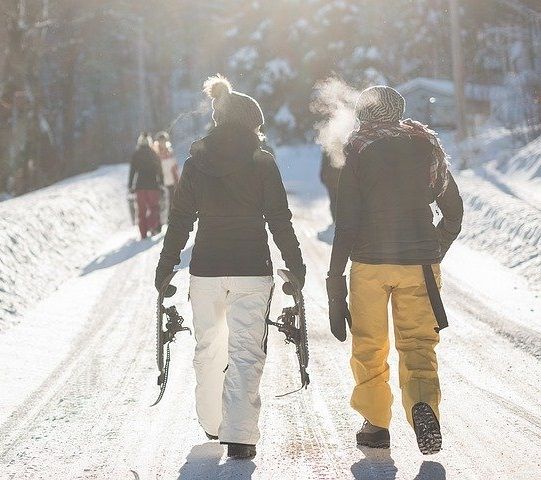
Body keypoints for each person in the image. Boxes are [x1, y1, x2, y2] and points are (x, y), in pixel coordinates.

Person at [155, 75, 305, 459]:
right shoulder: (262, 162)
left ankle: (212, 422)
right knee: (245, 350)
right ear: (251, 124)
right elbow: (279, 218)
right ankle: (239, 435)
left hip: (206, 269)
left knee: (208, 347)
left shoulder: (196, 162)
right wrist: (295, 263)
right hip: (252, 268)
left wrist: (166, 265)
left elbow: (181, 219)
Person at [326, 86, 463, 454]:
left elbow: (348, 221)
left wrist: (334, 278)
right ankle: (423, 404)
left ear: (363, 113)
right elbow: (454, 212)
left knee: (370, 345)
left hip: (370, 264)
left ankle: (375, 425)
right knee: (418, 343)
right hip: (419, 263)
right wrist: (437, 247)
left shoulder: (358, 149)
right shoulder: (426, 146)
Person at [128, 132, 164, 239]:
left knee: (141, 210)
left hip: (140, 186)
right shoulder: (153, 153)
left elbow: (132, 171)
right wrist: (161, 183)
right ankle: (152, 226)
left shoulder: (136, 154)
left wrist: (130, 185)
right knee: (153, 208)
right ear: (149, 142)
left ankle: (143, 233)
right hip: (153, 186)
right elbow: (159, 170)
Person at [154, 131, 180, 216]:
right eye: (161, 141)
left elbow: (175, 166)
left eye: (164, 141)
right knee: (163, 202)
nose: (163, 143)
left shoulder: (170, 151)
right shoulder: (156, 154)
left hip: (172, 180)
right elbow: (156, 168)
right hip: (162, 181)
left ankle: (171, 218)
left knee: (172, 201)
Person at [320, 151, 341, 223]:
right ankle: (336, 220)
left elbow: (323, 164)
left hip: (332, 179)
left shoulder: (328, 146)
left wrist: (323, 176)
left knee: (334, 201)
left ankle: (336, 219)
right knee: (336, 200)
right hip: (334, 179)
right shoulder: (329, 147)